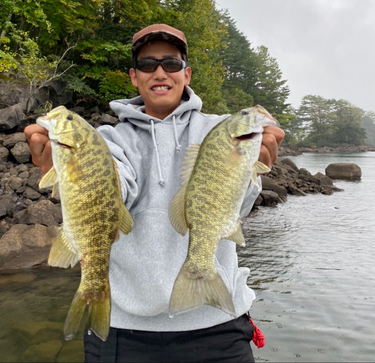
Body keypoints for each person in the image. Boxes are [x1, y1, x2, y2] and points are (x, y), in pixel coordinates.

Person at [25, 24, 284, 363]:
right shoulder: (106, 139)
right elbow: (117, 194)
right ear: (134, 76)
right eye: (148, 65)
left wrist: (253, 172)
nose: (160, 72)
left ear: (187, 74)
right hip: (123, 330)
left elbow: (238, 208)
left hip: (217, 324)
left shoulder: (220, 130)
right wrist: (66, 169)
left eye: (171, 64)